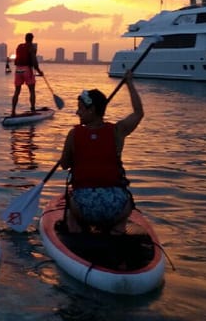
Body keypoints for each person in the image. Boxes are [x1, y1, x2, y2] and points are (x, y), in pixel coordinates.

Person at [59, 72, 144, 232]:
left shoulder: (74, 134)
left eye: (81, 109)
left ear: (91, 110)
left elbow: (64, 164)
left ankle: (76, 233)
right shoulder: (117, 131)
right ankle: (116, 232)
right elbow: (138, 113)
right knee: (122, 210)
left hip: (85, 207)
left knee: (72, 212)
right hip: (115, 206)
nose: (77, 113)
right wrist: (129, 84)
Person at [11, 32, 43, 116]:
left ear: (25, 38)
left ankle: (13, 111)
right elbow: (34, 61)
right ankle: (33, 109)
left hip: (18, 70)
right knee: (32, 91)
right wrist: (39, 71)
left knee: (17, 91)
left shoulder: (19, 46)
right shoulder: (31, 47)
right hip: (26, 70)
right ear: (32, 39)